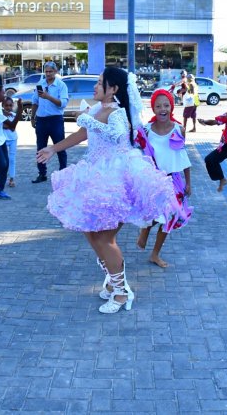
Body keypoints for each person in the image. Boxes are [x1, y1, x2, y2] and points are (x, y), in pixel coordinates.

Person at [36, 68, 181, 313]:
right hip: (94, 175)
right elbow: (82, 134)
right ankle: (114, 281)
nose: (95, 87)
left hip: (116, 179)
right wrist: (54, 148)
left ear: (113, 89)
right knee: (89, 232)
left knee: (105, 238)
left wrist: (87, 120)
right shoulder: (95, 110)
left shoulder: (117, 113)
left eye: (101, 83)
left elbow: (115, 136)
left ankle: (122, 292)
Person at [135, 89, 193, 268]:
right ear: (153, 108)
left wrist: (188, 182)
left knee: (169, 218)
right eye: (158, 106)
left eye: (166, 105)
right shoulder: (145, 130)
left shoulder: (179, 129)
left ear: (171, 107)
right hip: (152, 181)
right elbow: (137, 156)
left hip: (173, 181)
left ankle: (155, 254)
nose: (162, 109)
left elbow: (183, 157)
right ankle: (145, 229)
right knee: (154, 212)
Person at [31, 61, 68, 183]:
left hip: (55, 120)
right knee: (40, 147)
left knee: (60, 147)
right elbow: (35, 101)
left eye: (50, 71)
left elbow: (62, 104)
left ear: (55, 72)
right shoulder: (40, 84)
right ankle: (42, 174)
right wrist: (32, 117)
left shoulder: (61, 85)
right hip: (41, 120)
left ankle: (63, 173)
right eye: (46, 71)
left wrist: (48, 97)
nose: (48, 74)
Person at [0, 96, 23, 188]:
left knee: (12, 159)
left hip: (13, 139)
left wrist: (7, 126)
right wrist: (8, 126)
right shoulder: (0, 115)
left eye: (10, 105)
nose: (8, 107)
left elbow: (13, 128)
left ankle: (12, 178)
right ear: (2, 105)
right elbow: (1, 126)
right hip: (2, 140)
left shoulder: (13, 115)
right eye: (6, 105)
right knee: (1, 161)